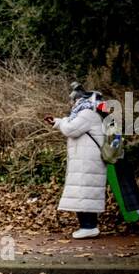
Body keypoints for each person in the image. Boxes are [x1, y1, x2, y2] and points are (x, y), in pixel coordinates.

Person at [46, 83, 108, 238]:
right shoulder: (94, 111)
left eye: (74, 100)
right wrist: (59, 122)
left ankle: (89, 227)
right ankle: (88, 226)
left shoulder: (87, 112)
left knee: (84, 192)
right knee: (85, 192)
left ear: (81, 100)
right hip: (87, 159)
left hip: (87, 160)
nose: (73, 104)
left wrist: (63, 121)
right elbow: (72, 126)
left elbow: (70, 130)